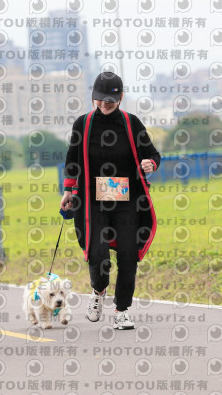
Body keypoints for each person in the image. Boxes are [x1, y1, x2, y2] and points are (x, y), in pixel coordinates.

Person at [60, 72, 160, 330]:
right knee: (98, 254)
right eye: (100, 99)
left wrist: (151, 163)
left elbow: (152, 154)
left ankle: (122, 310)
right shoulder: (83, 124)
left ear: (121, 97)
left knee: (128, 256)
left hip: (126, 198)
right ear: (93, 97)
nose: (105, 104)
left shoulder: (131, 122)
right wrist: (69, 190)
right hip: (93, 199)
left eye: (110, 100)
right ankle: (98, 290)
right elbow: (72, 158)